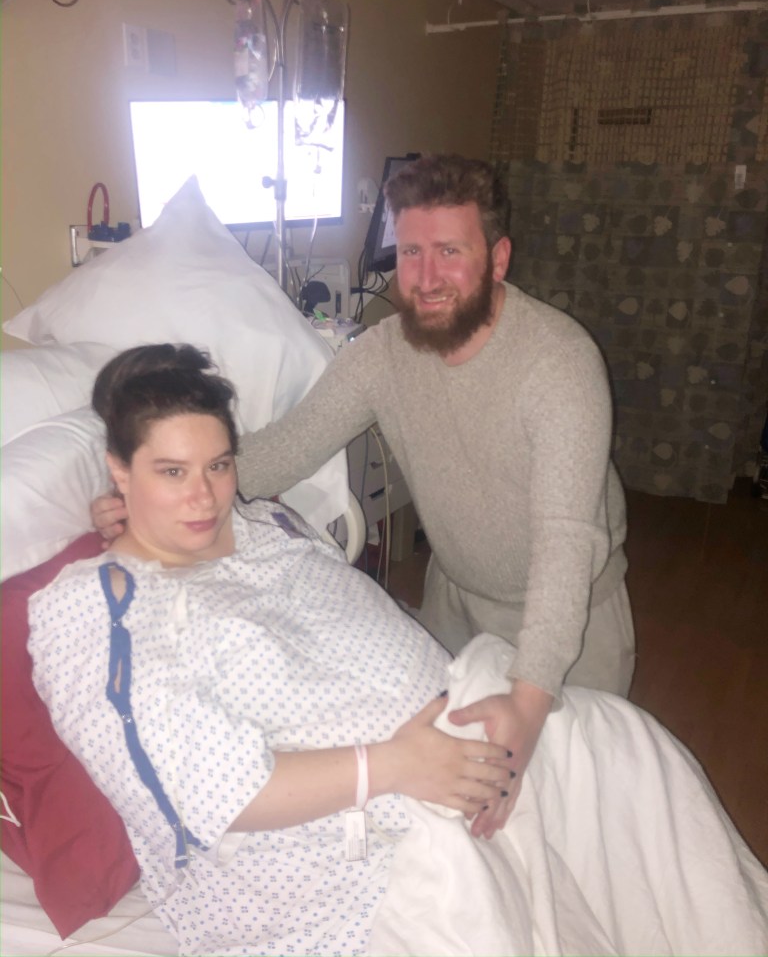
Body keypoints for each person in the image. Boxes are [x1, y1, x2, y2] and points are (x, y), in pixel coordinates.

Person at [33, 346, 768, 957]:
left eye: (219, 466)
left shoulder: (269, 527)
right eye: (171, 472)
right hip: (339, 853)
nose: (204, 497)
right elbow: (210, 799)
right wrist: (395, 766)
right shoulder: (94, 614)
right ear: (119, 471)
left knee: (624, 745)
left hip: (456, 734)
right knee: (483, 899)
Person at [92, 155, 633, 839]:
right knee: (468, 822)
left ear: (498, 258)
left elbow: (564, 543)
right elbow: (286, 450)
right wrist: (163, 493)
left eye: (449, 252)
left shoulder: (558, 363)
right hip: (457, 605)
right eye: (410, 252)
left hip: (571, 624)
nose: (426, 278)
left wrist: (528, 703)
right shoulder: (383, 354)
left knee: (575, 814)